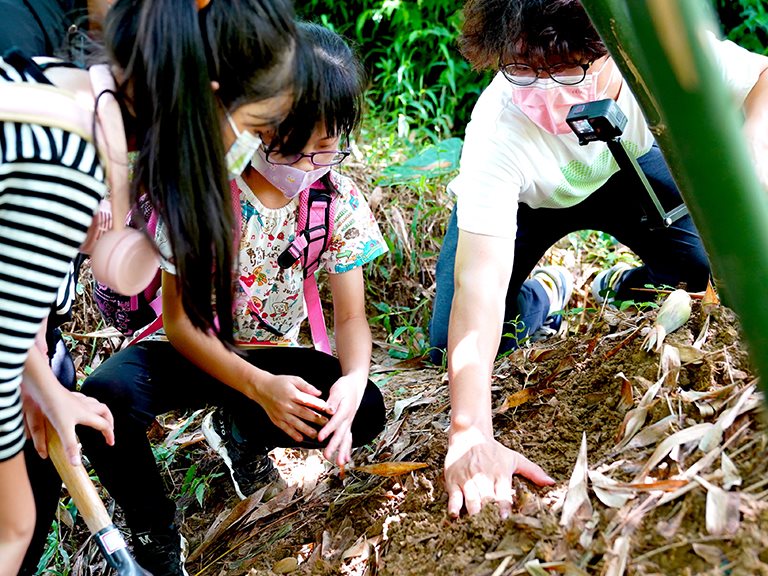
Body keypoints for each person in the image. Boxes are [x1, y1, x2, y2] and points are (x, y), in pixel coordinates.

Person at [430, 0, 768, 520]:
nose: (546, 91)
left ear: (612, 47)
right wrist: (469, 431)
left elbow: (762, 77)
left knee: (695, 273)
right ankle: (546, 293)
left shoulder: (650, 57)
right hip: (528, 204)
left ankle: (620, 285)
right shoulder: (496, 130)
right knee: (446, 345)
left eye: (570, 68)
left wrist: (750, 167)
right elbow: (480, 280)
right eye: (523, 68)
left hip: (621, 169)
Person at [78, 21, 387, 576]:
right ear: (259, 125)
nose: (316, 164)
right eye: (302, 149)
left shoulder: (334, 199)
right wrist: (257, 386)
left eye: (330, 148)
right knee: (104, 401)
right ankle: (154, 535)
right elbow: (179, 322)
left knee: (362, 409)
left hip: (269, 352)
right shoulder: (202, 190)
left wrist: (354, 377)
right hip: (190, 349)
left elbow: (352, 316)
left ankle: (239, 433)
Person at [0, 0, 298, 573]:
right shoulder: (68, 161)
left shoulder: (55, 88)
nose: (246, 153)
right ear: (205, 96)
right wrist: (14, 523)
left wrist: (42, 382)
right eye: (254, 130)